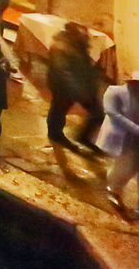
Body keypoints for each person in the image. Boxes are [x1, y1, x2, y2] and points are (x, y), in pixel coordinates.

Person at [46, 21, 106, 153]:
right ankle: (55, 134)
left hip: (83, 87)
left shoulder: (79, 45)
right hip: (64, 88)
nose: (86, 37)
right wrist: (76, 90)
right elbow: (62, 71)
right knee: (58, 111)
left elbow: (85, 64)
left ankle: (83, 137)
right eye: (83, 35)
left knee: (98, 114)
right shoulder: (60, 47)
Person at [104, 75, 139, 217]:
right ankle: (113, 191)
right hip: (127, 141)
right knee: (124, 168)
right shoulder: (115, 93)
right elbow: (114, 114)